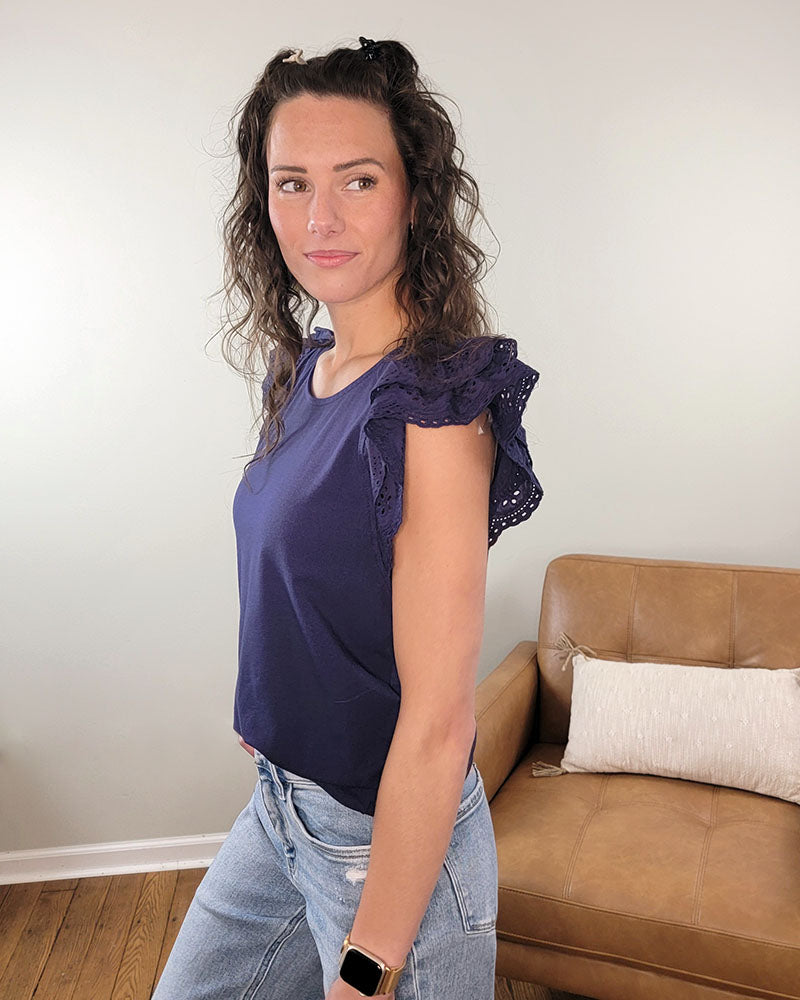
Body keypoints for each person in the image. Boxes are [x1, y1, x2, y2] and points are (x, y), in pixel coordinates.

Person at [152, 35, 543, 1000]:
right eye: (291, 183)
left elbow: (440, 724)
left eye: (357, 181)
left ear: (414, 194)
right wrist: (275, 703)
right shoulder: (313, 366)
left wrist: (369, 962)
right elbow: (303, 565)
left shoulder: (436, 411)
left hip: (388, 844)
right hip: (284, 807)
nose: (319, 217)